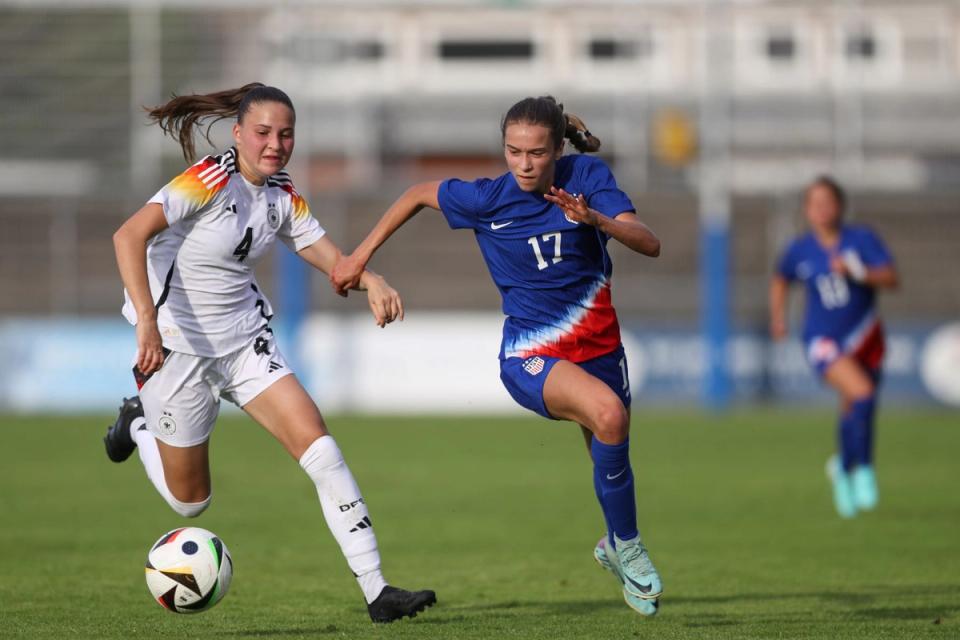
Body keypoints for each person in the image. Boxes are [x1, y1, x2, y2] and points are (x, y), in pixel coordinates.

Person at [103, 82, 435, 622]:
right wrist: (146, 323)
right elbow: (127, 237)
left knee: (322, 450)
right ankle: (138, 424)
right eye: (262, 132)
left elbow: (330, 259)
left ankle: (378, 592)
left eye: (285, 134)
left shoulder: (282, 195)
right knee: (191, 504)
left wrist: (370, 280)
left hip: (244, 344)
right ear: (238, 134)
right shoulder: (208, 179)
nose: (275, 143)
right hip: (178, 352)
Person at [330, 96, 664, 616]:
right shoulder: (487, 199)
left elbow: (648, 242)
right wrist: (359, 256)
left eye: (536, 153)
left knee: (606, 448)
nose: (525, 164)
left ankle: (613, 545)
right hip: (530, 353)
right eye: (513, 152)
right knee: (610, 415)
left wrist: (595, 218)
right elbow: (418, 193)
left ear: (557, 149)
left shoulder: (588, 176)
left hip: (599, 345)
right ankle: (630, 545)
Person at [770, 176, 899, 519]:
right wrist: (779, 318)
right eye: (815, 203)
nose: (822, 209)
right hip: (822, 339)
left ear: (840, 206)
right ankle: (864, 468)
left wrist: (859, 272)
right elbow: (781, 277)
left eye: (828, 202)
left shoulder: (862, 239)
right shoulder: (800, 249)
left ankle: (842, 468)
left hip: (865, 336)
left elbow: (891, 278)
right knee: (863, 393)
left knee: (855, 407)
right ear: (807, 210)